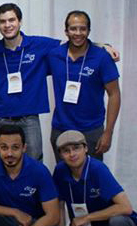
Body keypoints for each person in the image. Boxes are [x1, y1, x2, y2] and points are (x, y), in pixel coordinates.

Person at [0, 3, 119, 161]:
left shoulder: (39, 45)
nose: (7, 25)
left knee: (35, 167)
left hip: (29, 119)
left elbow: (74, 40)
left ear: (20, 21)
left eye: (11, 20)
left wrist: (103, 46)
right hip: (2, 118)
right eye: (2, 21)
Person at [47, 11, 121, 161]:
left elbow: (114, 94)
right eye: (73, 29)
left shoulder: (101, 57)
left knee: (91, 179)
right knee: (64, 179)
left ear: (88, 31)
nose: (78, 33)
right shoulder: (54, 55)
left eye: (83, 29)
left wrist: (108, 132)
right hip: (61, 129)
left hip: (91, 130)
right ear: (66, 31)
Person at [0, 125, 59, 226]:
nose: (9, 153)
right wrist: (15, 212)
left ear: (24, 148)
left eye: (15, 147)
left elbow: (53, 216)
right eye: (4, 148)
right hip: (3, 219)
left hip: (31, 222)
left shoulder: (39, 171)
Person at [53, 130, 137, 226]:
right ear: (60, 155)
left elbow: (126, 207)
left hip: (108, 223)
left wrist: (87, 218)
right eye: (66, 151)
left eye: (76, 148)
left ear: (85, 148)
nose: (72, 154)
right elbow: (59, 206)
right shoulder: (60, 170)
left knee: (118, 221)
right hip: (82, 224)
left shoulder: (97, 169)